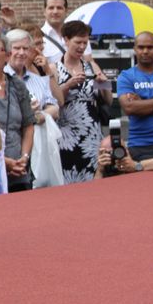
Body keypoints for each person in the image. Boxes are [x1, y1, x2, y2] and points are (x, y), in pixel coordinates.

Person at [56, 20, 112, 183]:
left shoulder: (92, 66)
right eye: (78, 42)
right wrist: (68, 85)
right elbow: (54, 101)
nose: (81, 47)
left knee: (93, 178)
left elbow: (108, 100)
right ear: (66, 40)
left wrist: (103, 84)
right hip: (66, 136)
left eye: (85, 43)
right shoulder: (54, 68)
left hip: (91, 135)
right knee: (68, 178)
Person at [0, 31, 35, 191]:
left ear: (7, 55)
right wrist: (3, 162)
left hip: (18, 168)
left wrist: (24, 157)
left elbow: (28, 125)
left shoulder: (17, 85)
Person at [116, 31, 153, 162]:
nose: (145, 51)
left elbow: (136, 107)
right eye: (141, 47)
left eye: (150, 47)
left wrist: (142, 105)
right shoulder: (126, 76)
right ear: (135, 49)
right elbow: (129, 108)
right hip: (140, 145)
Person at [5, 29, 59, 124]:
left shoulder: (40, 80)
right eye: (17, 48)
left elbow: (55, 110)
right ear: (7, 51)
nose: (21, 52)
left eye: (25, 48)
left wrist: (38, 116)